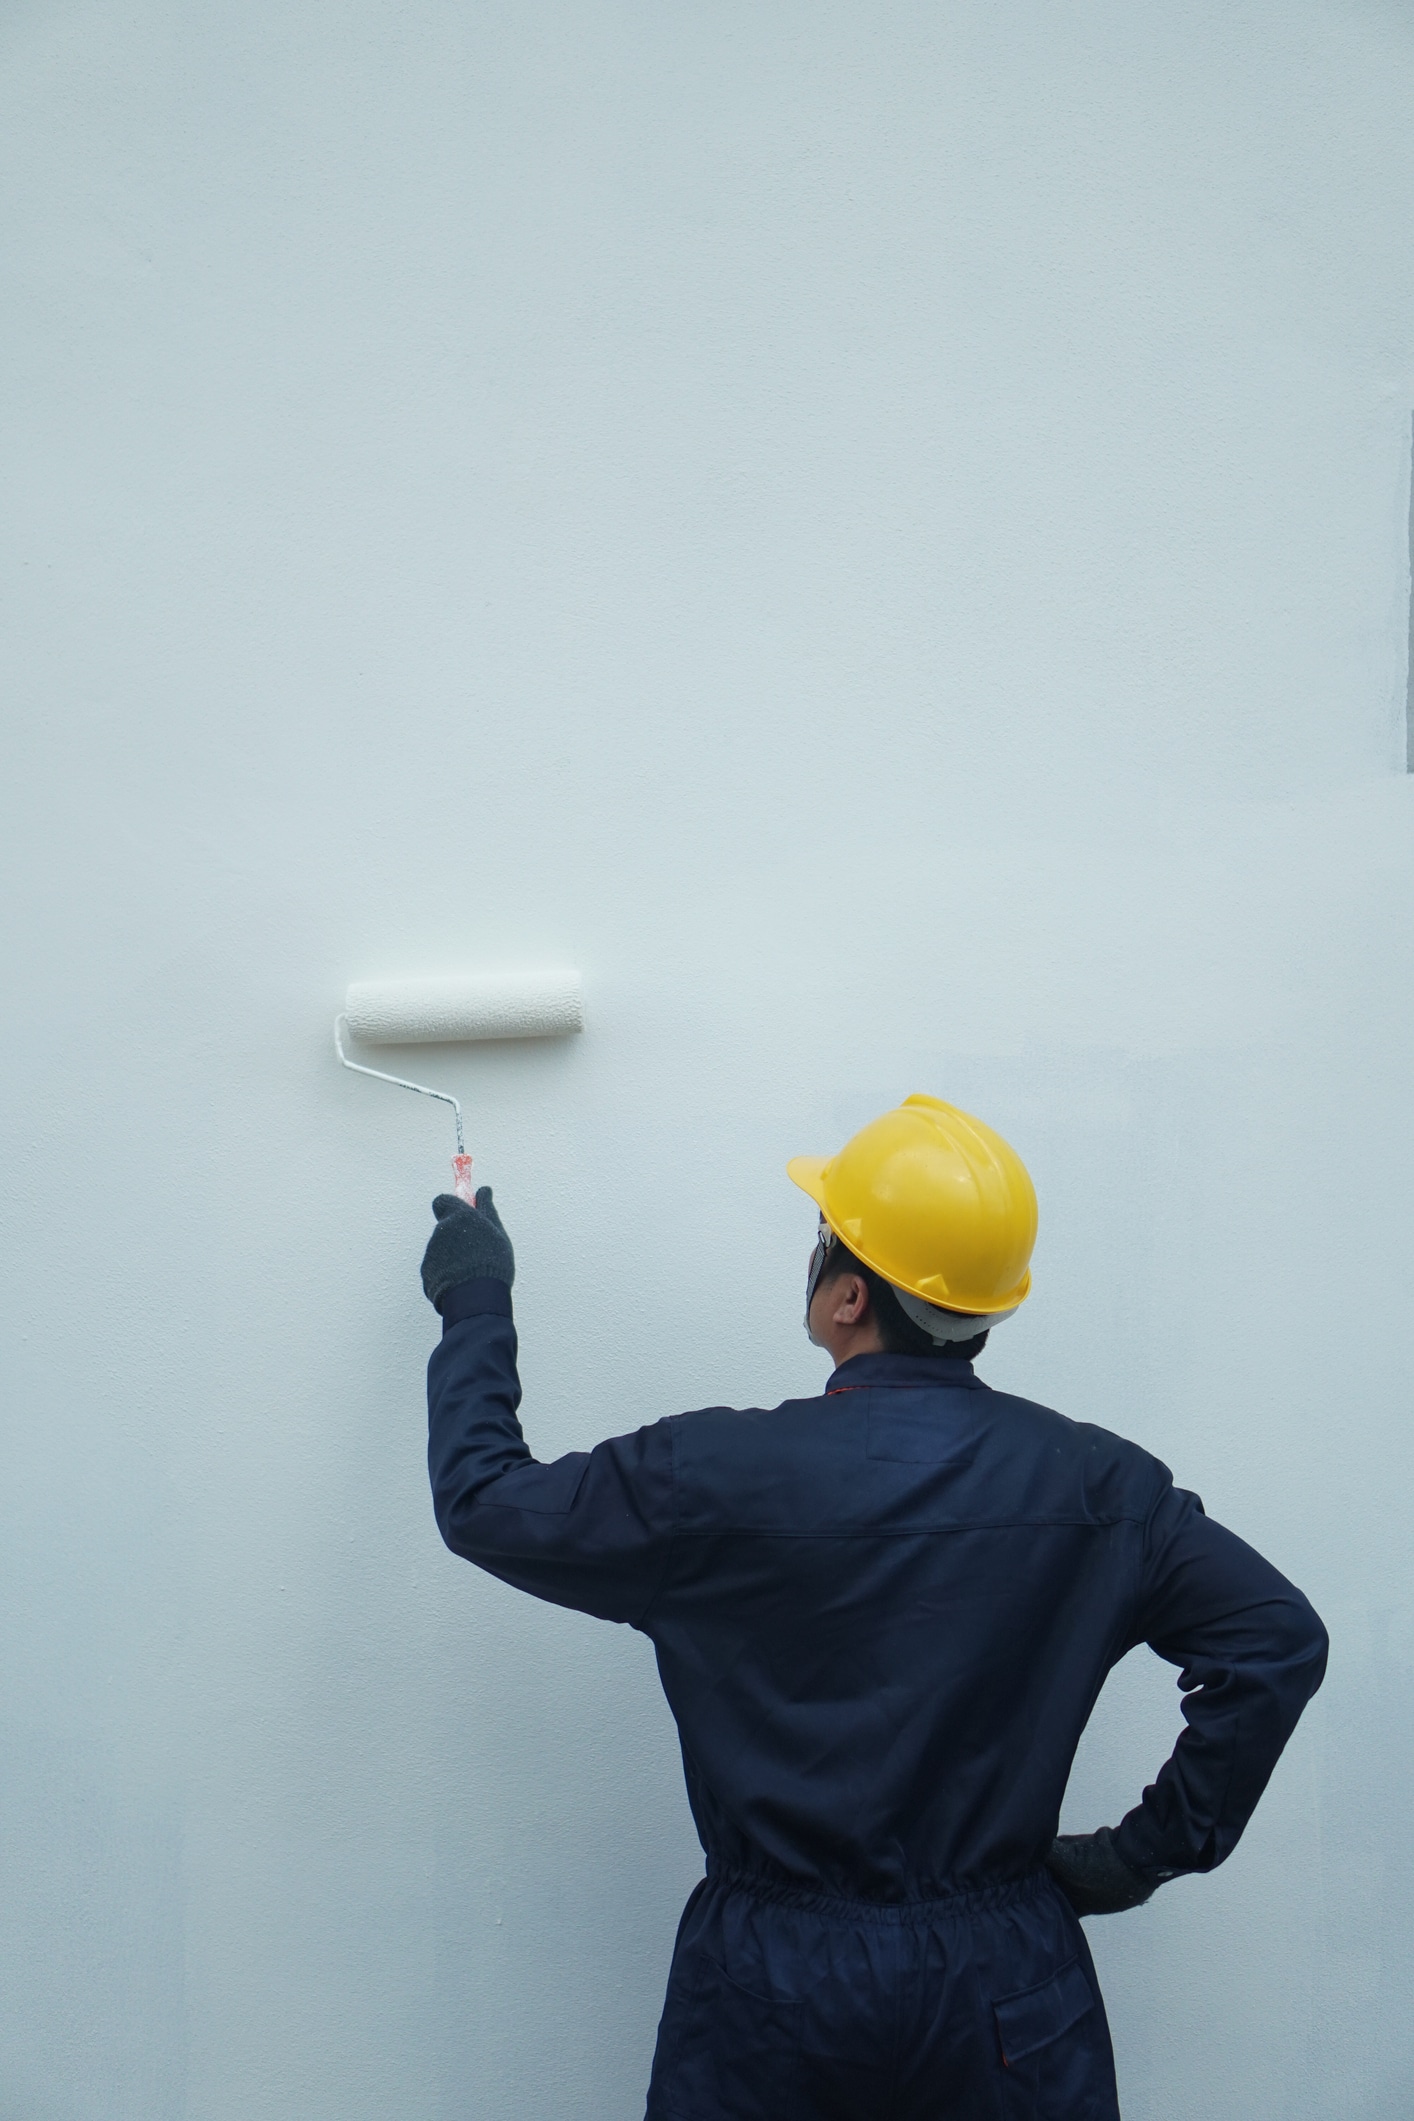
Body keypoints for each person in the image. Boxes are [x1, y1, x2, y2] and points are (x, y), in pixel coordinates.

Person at [420, 1093, 1327, 2119]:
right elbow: (1274, 1640)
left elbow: (485, 1502)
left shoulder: (707, 1475)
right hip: (1007, 1982)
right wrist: (1136, 1856)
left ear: (849, 1296)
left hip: (771, 1990)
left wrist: (475, 1303)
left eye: (823, 1239)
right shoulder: (1098, 1487)